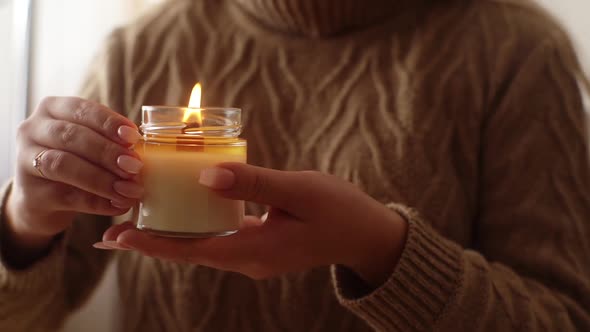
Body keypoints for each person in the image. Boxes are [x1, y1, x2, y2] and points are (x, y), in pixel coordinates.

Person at [1, 0, 589, 331]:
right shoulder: (141, 49)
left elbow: (563, 318)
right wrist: (24, 223)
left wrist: (382, 251)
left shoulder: (515, 52)